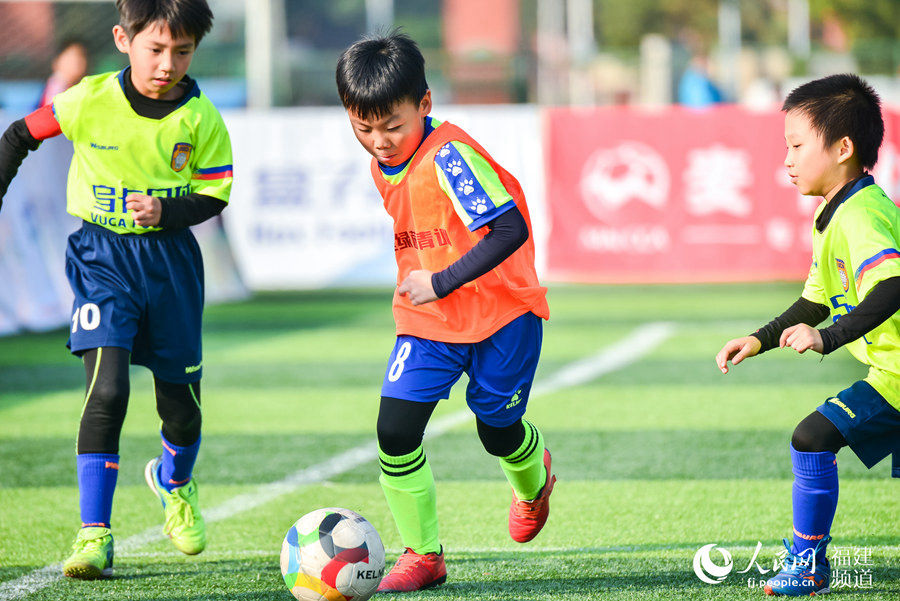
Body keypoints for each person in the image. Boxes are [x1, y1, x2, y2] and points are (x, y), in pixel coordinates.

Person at [0, 0, 233, 580]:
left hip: (172, 267)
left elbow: (214, 195)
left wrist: (167, 209)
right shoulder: (88, 99)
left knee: (180, 409)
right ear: (123, 39)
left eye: (182, 51)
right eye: (156, 49)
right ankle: (95, 534)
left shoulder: (201, 117)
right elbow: (18, 134)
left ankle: (174, 481)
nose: (168, 63)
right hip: (101, 257)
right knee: (106, 392)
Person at [336, 31, 555, 593]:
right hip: (428, 322)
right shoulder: (382, 162)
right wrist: (430, 289)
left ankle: (534, 483)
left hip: (502, 315)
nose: (380, 141)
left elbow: (510, 229)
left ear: (425, 105)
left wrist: (439, 280)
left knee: (497, 430)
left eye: (392, 126)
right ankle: (424, 555)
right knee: (395, 431)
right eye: (364, 128)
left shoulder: (451, 157)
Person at [716, 73, 900, 597]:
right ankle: (810, 560)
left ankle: (808, 562)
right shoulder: (833, 211)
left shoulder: (862, 215)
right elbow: (816, 298)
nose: (788, 160)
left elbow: (891, 287)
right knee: (813, 438)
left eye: (797, 146)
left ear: (844, 148)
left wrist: (828, 339)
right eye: (785, 147)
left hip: (896, 376)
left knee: (812, 437)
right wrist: (760, 338)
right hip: (891, 372)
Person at [37, 39, 89, 108]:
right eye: (71, 57)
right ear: (57, 61)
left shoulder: (81, 86)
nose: (77, 62)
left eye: (81, 56)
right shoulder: (57, 86)